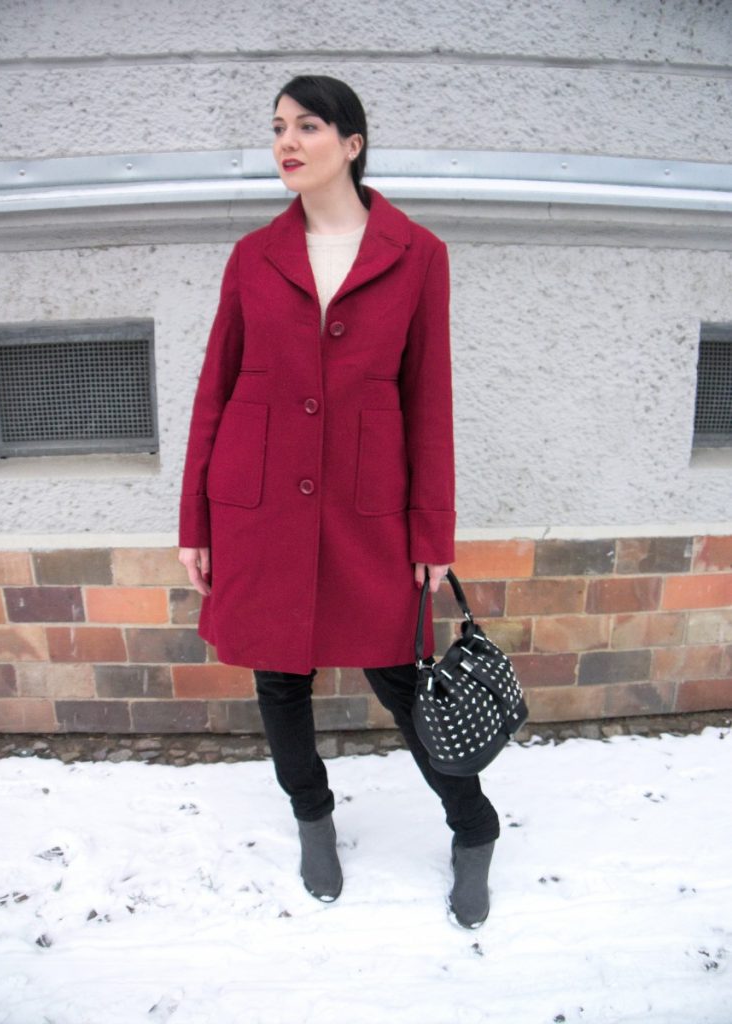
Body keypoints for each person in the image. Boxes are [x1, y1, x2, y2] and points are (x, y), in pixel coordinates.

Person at [178, 75, 499, 928]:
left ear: (351, 143)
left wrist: (433, 530)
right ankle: (312, 821)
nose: (287, 141)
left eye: (308, 125)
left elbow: (429, 399)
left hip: (369, 510)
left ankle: (473, 827)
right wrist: (195, 521)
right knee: (280, 681)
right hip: (259, 507)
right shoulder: (254, 255)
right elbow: (215, 390)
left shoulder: (417, 252)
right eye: (278, 127)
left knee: (404, 679)